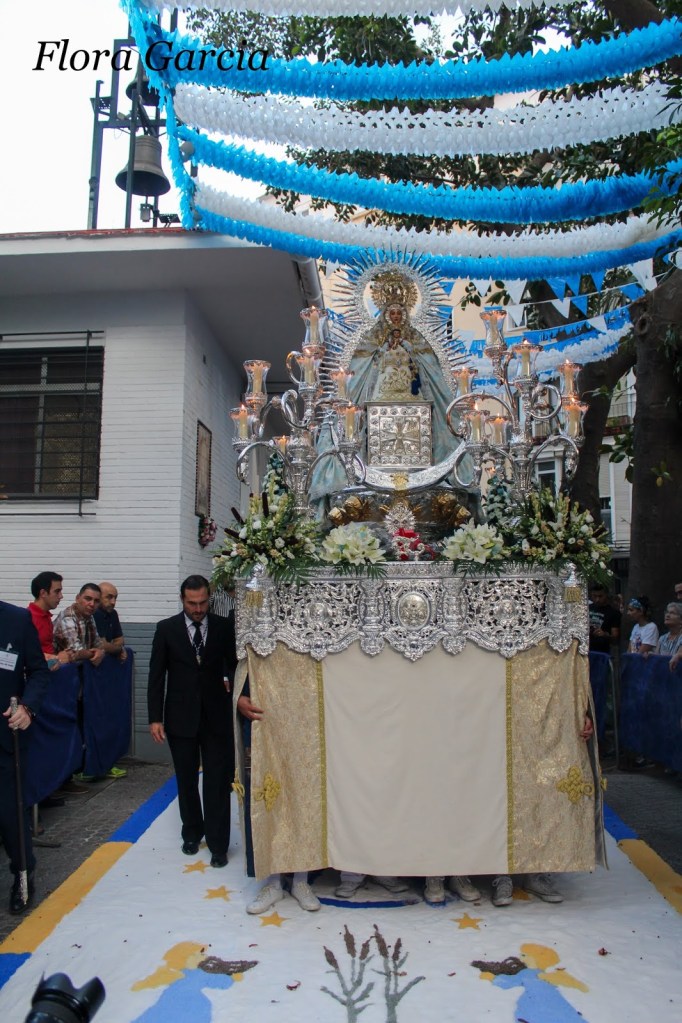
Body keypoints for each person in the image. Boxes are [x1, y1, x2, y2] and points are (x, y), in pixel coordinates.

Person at [148, 575, 236, 868]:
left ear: (209, 598)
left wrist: (237, 696)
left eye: (202, 603)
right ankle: (192, 832)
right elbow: (156, 676)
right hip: (179, 717)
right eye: (192, 603)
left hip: (216, 716)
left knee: (217, 781)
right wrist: (155, 718)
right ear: (182, 599)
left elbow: (235, 666)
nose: (198, 609)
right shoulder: (166, 629)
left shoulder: (223, 627)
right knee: (186, 779)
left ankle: (219, 843)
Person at [490, 713, 594, 907]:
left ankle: (536, 870)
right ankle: (501, 873)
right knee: (502, 783)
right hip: (500, 710)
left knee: (542, 785)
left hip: (547, 710)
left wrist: (581, 708)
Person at [237, 689, 322, 913]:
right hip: (265, 705)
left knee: (304, 789)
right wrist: (237, 695)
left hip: (305, 707)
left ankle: (301, 879)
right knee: (269, 791)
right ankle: (273, 882)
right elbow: (231, 667)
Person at [0, 599, 50, 913]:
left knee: (9, 813)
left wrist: (28, 708)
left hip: (6, 736)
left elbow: (39, 673)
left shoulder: (17, 620)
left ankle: (22, 872)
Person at [27, 571, 72, 668]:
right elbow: (24, 652)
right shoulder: (28, 619)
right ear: (43, 593)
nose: (61, 596)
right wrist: (57, 658)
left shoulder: (46, 616)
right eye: (57, 591)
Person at [53, 584, 106, 666]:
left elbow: (98, 644)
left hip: (77, 668)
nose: (92, 604)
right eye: (88, 599)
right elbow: (76, 651)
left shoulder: (89, 617)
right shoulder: (68, 617)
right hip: (59, 669)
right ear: (77, 598)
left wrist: (100, 651)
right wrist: (95, 653)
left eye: (96, 601)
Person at [93, 582, 127, 662]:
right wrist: (119, 650)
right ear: (98, 597)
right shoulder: (95, 613)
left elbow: (120, 640)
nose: (113, 602)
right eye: (109, 597)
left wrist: (111, 648)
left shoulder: (113, 613)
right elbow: (102, 645)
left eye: (115, 598)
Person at [588, 584, 620, 654]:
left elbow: (615, 638)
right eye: (594, 596)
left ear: (606, 595)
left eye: (600, 596)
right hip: (586, 649)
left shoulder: (613, 612)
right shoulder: (586, 608)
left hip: (602, 652)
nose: (597, 599)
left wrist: (605, 635)